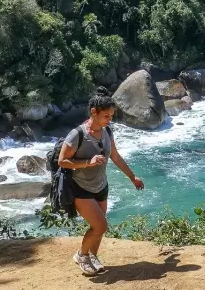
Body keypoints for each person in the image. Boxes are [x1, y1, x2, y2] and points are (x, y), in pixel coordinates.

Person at [58, 87, 145, 276]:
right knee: (100, 226)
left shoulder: (107, 132)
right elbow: (62, 160)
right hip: (80, 187)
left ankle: (93, 256)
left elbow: (115, 156)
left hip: (101, 186)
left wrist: (132, 177)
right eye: (106, 116)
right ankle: (81, 255)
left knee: (99, 227)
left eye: (111, 116)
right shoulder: (77, 134)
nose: (109, 120)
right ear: (93, 113)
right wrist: (87, 163)